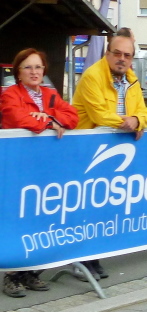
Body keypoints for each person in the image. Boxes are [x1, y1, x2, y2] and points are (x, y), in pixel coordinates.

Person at [72, 34, 147, 280]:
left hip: (114, 153)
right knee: (86, 208)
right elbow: (99, 114)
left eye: (127, 55)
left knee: (103, 207)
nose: (121, 59)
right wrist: (129, 123)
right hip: (87, 152)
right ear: (107, 54)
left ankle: (93, 258)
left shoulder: (131, 79)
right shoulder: (92, 76)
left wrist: (138, 120)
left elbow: (144, 112)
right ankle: (79, 260)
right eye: (117, 53)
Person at [1, 48, 79, 298]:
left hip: (44, 168)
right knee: (18, 219)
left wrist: (48, 115)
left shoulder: (50, 94)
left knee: (39, 219)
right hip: (18, 167)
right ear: (18, 73)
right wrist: (47, 122)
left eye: (38, 67)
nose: (34, 72)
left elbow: (72, 117)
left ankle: (31, 272)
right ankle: (11, 275)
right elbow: (17, 118)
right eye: (28, 67)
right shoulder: (10, 94)